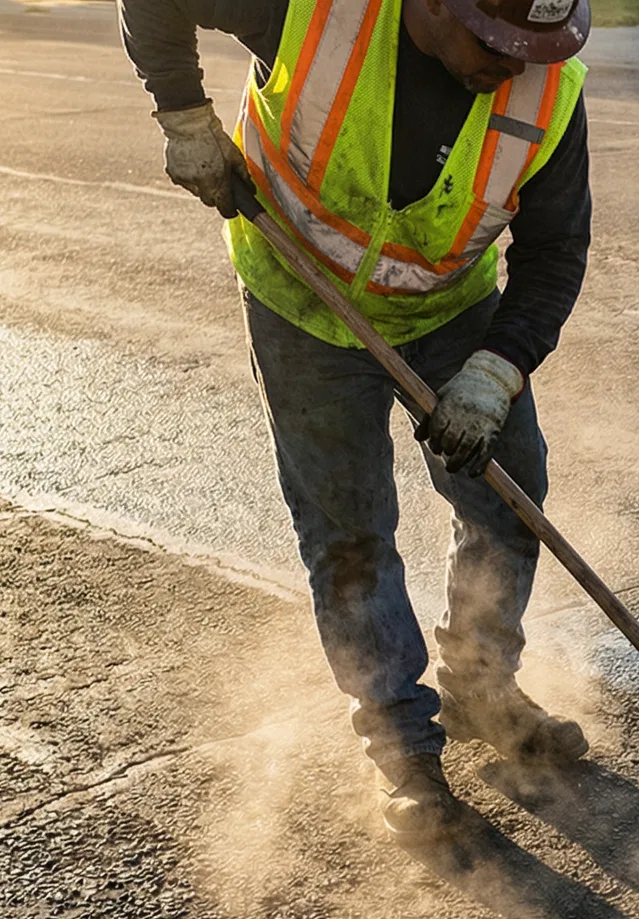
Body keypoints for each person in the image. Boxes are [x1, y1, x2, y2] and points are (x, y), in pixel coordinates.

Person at [120, 0, 595, 843]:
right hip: (300, 298)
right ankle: (407, 757)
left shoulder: (549, 91)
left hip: (449, 311)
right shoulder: (314, 9)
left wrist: (496, 368)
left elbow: (555, 250)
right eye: (494, 45)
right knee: (349, 534)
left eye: (534, 51)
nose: (511, 69)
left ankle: (483, 686)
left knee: (509, 496)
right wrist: (183, 113)